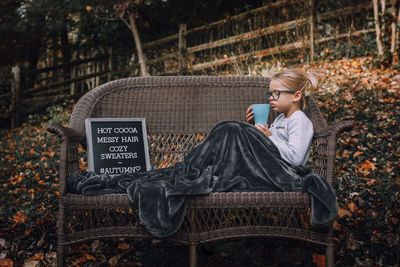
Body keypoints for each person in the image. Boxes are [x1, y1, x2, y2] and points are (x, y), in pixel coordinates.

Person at [245, 69, 317, 166]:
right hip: (270, 167)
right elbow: (267, 145)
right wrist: (255, 126)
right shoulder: (280, 119)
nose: (271, 98)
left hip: (286, 173)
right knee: (231, 130)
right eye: (270, 94)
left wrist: (269, 138)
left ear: (296, 96)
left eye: (276, 93)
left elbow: (295, 159)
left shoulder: (299, 120)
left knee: (230, 128)